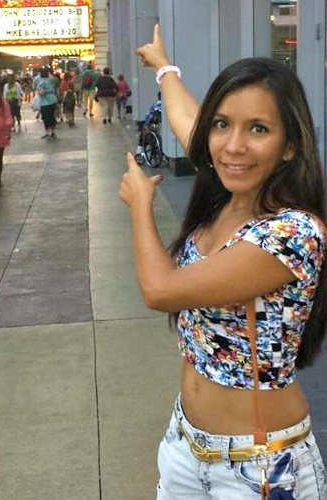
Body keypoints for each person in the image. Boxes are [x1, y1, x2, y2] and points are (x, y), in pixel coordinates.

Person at [119, 24, 327, 499]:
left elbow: (160, 291)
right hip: (184, 444)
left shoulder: (294, 232)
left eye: (259, 129)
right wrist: (164, 68)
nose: (234, 146)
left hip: (260, 466)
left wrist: (140, 206)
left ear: (289, 145)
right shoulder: (227, 195)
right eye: (222, 124)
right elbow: (187, 121)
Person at [34, 67, 58, 141]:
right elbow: (56, 84)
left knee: (46, 118)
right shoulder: (52, 80)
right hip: (53, 100)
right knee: (52, 117)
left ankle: (47, 133)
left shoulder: (42, 82)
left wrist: (39, 92)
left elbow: (41, 92)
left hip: (45, 102)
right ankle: (53, 133)